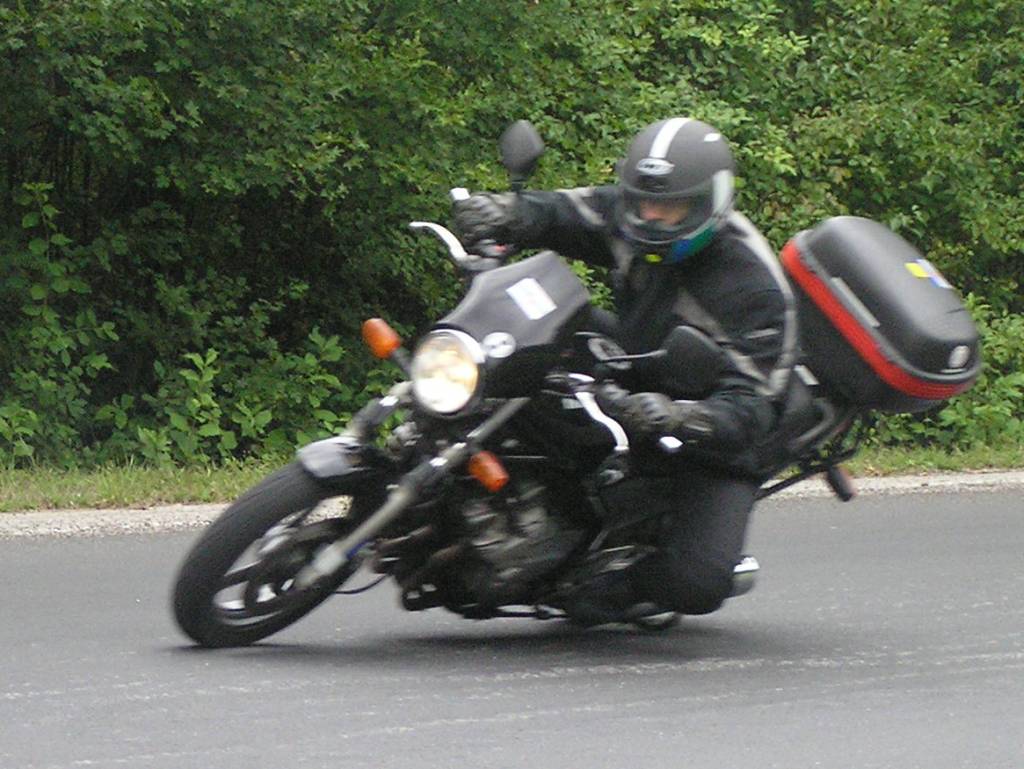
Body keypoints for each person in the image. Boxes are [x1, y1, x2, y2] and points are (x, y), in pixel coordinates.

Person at [453, 117, 798, 626]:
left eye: (669, 207)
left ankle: (612, 585)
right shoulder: (631, 211)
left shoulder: (752, 288)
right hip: (637, 361)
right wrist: (507, 211)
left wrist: (681, 416)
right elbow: (567, 212)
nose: (651, 216)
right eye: (642, 202)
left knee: (698, 581)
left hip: (710, 433)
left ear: (709, 203)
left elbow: (754, 406)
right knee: (537, 333)